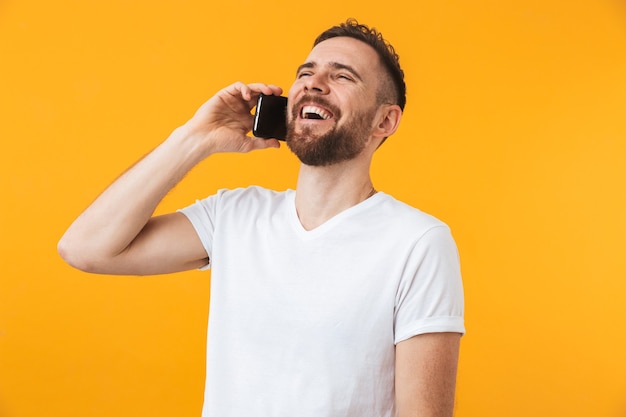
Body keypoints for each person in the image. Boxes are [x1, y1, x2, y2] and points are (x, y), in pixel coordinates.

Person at [58, 19, 465, 417]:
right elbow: (85, 249)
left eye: (342, 76)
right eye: (306, 73)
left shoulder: (418, 242)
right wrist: (195, 138)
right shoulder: (234, 216)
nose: (313, 83)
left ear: (385, 121)